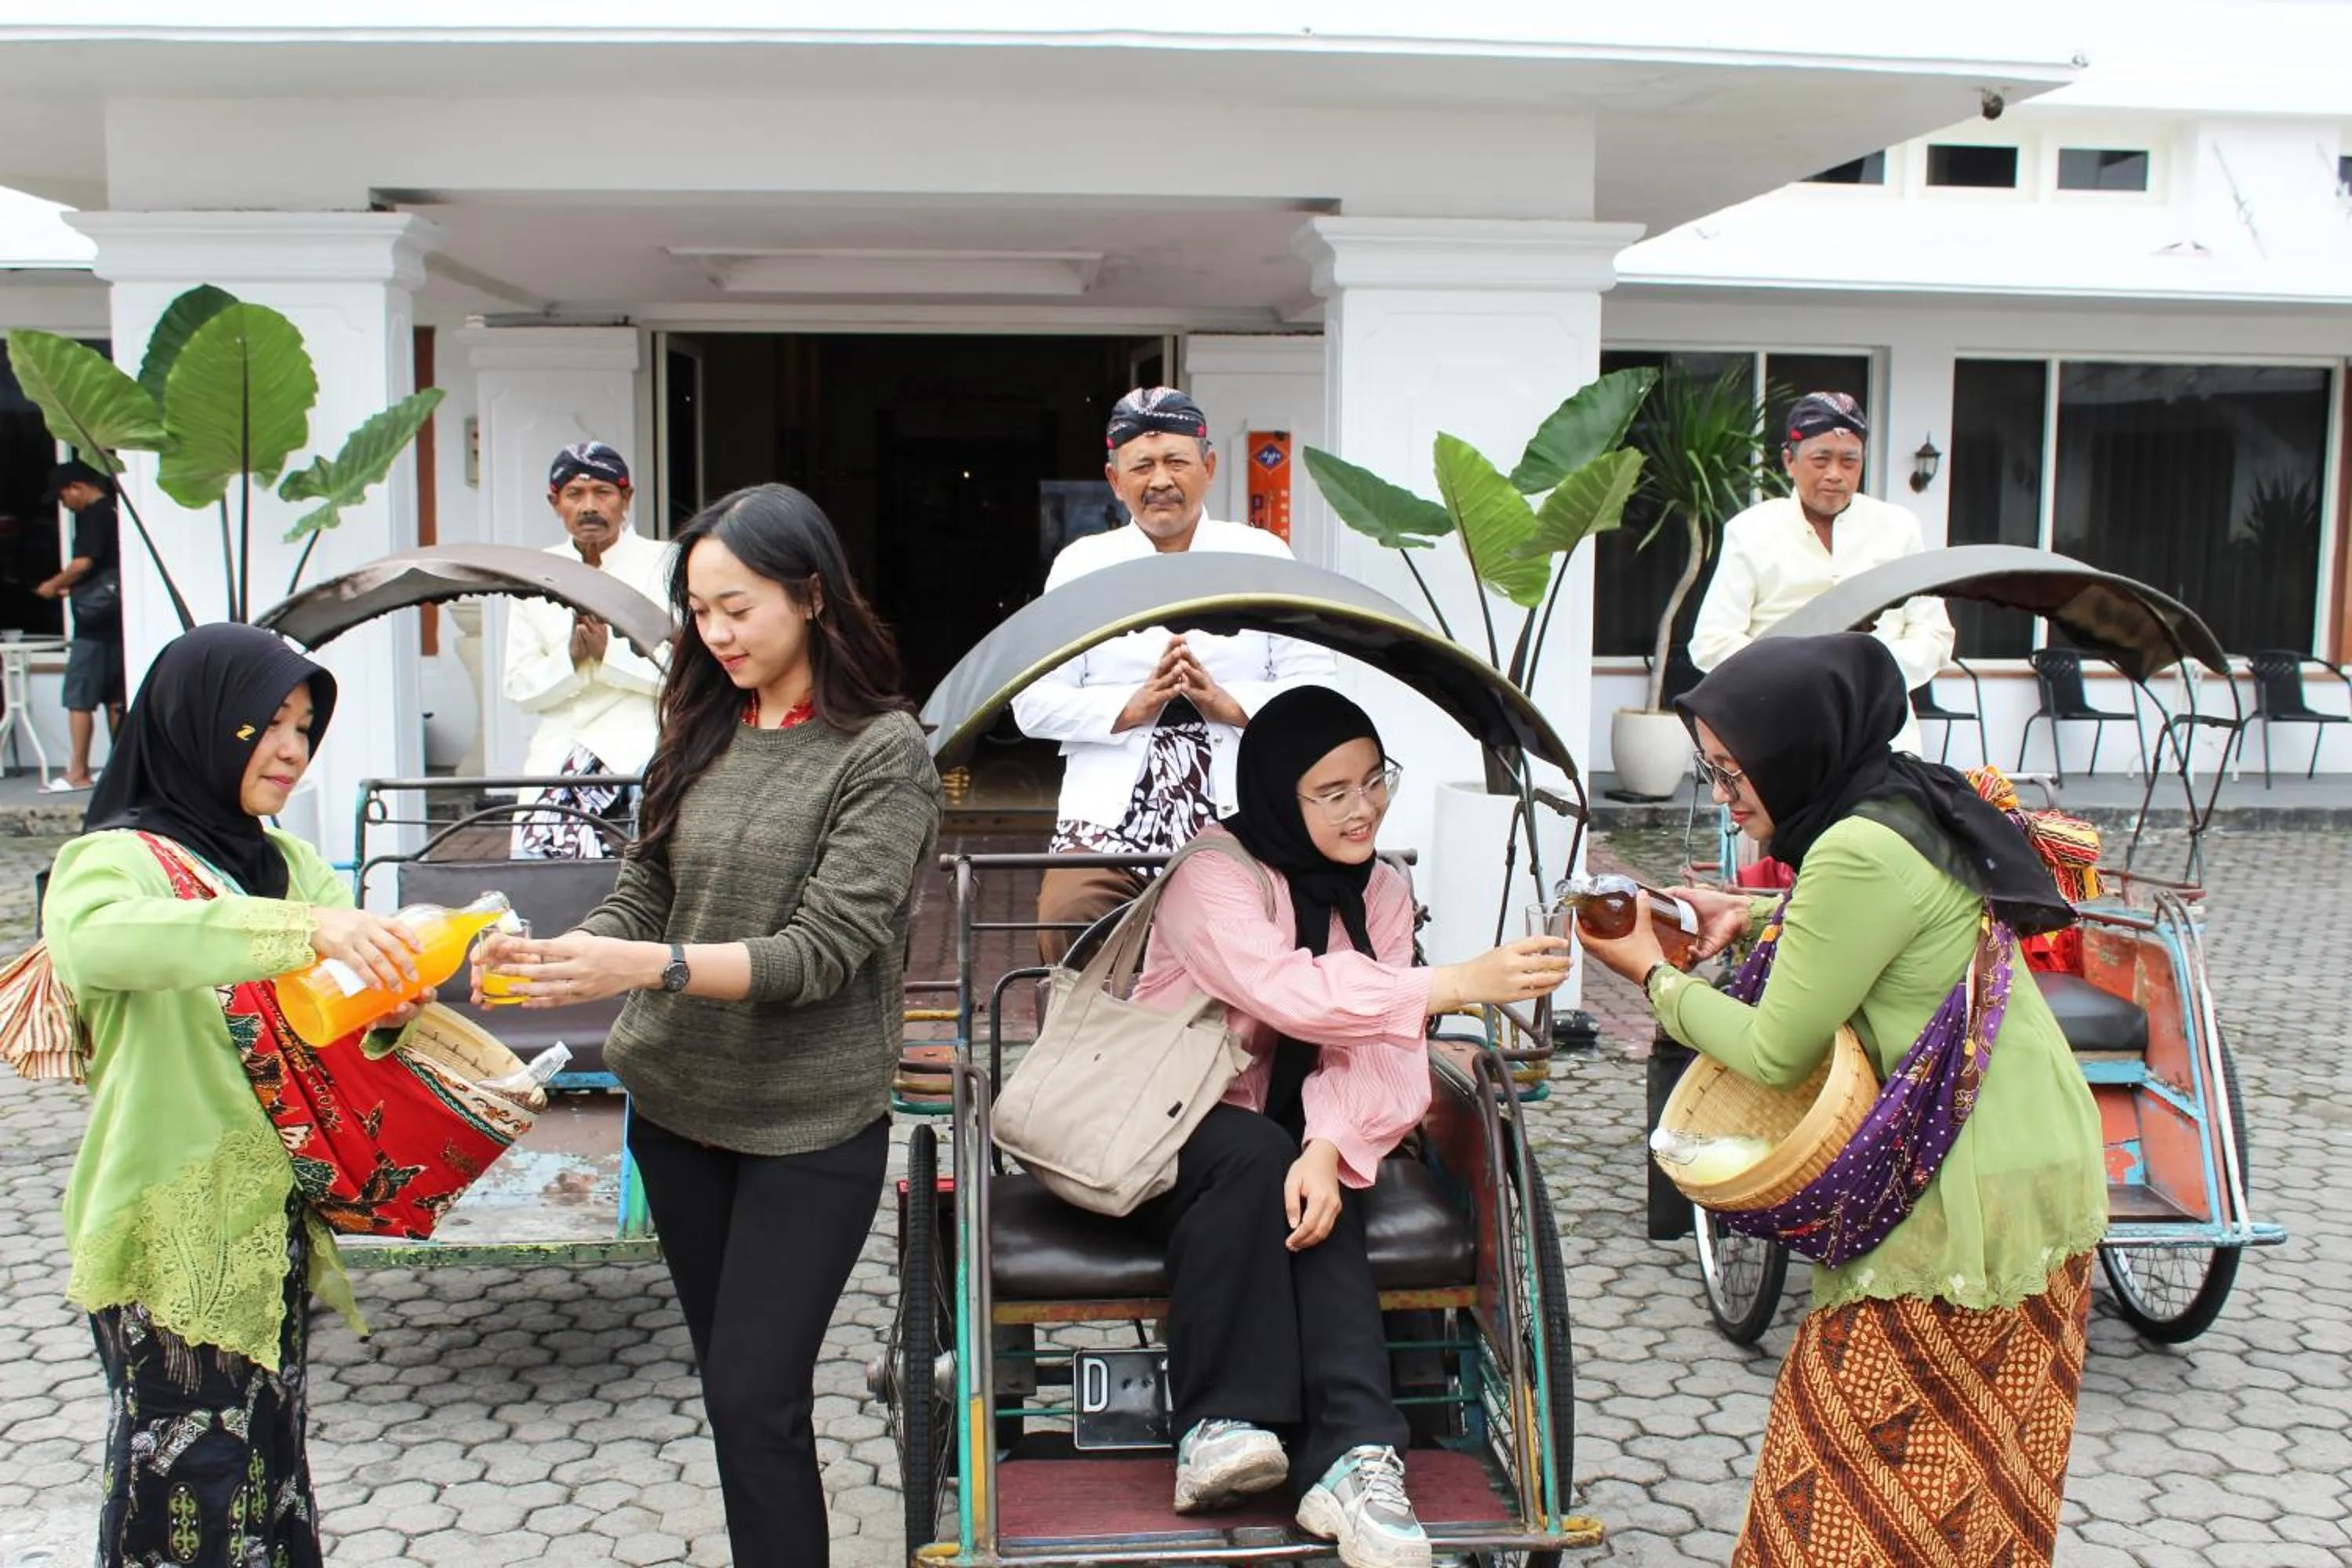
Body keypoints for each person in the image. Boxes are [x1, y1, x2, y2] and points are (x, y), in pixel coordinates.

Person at [471, 482, 942, 1565]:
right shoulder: (701, 720)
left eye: (739, 607)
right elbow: (647, 886)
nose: (716, 633)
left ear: (812, 596)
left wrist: (642, 963)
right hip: (676, 1110)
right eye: (700, 610)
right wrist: (561, 955)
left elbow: (819, 954)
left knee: (755, 1393)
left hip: (808, 1125)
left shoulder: (881, 752)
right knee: (737, 1402)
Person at [1578, 633, 2107, 1568]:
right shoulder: (1898, 796)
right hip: (2033, 1151)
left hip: (1967, 1186)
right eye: (1714, 772)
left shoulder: (1853, 850)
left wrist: (1651, 979)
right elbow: (1898, 924)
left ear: (1796, 753)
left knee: (1834, 1487)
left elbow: (1776, 1050)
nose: (1728, 794)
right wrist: (1753, 913)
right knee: (1976, 1485)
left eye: (1738, 773)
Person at [1121, 685, 1571, 1568]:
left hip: (1295, 1135)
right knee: (1259, 1154)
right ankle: (1219, 1421)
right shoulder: (1213, 872)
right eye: (1332, 792)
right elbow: (1285, 987)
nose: (1363, 807)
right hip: (1167, 1116)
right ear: (1280, 794)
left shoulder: (1386, 889)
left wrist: (1330, 1146)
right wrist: (1450, 984)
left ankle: (1357, 1458)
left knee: (1324, 1194)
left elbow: (1374, 1051)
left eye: (1374, 781)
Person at [43, 623, 429, 1568]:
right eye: (271, 723)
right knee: (183, 1496)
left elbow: (332, 1026)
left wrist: (395, 997)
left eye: (306, 726)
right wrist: (304, 931)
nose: (294, 750)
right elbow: (97, 943)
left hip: (271, 1222)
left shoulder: (286, 862)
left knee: (265, 1470)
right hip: (168, 1227)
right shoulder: (115, 861)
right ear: (206, 722)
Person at [1013, 387, 1334, 961]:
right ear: (1116, 480)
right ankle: (1093, 1050)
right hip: (1107, 820)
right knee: (1070, 918)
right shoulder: (1082, 565)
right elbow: (1031, 704)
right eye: (1142, 465)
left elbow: (1317, 690)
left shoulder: (1260, 554)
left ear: (1208, 468)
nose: (1160, 479)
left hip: (1245, 810)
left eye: (1176, 462)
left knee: (1268, 935)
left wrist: (1228, 702)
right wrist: (1128, 708)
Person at [1688, 392, 1954, 759]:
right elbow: (1711, 643)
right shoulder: (1751, 531)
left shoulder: (1899, 528)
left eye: (1849, 461)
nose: (1834, 474)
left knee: (1882, 817)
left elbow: (1934, 633)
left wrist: (1871, 676)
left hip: (1882, 735)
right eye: (1820, 459)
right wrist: (1798, 677)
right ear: (1789, 461)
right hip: (1776, 736)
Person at [503, 441, 672, 857]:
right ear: (555, 503)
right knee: (538, 873)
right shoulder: (534, 575)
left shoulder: (666, 563)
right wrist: (573, 661)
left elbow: (685, 673)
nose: (588, 506)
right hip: (558, 751)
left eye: (603, 493)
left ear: (626, 498)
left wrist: (609, 658)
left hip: (640, 746)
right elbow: (519, 687)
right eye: (575, 495)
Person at [34, 459, 127, 791]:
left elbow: (82, 563)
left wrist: (52, 585)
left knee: (79, 697)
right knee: (117, 699)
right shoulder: (117, 512)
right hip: (118, 624)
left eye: (63, 497)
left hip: (93, 627)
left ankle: (77, 772)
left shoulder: (95, 514)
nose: (65, 506)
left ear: (77, 487)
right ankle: (118, 769)